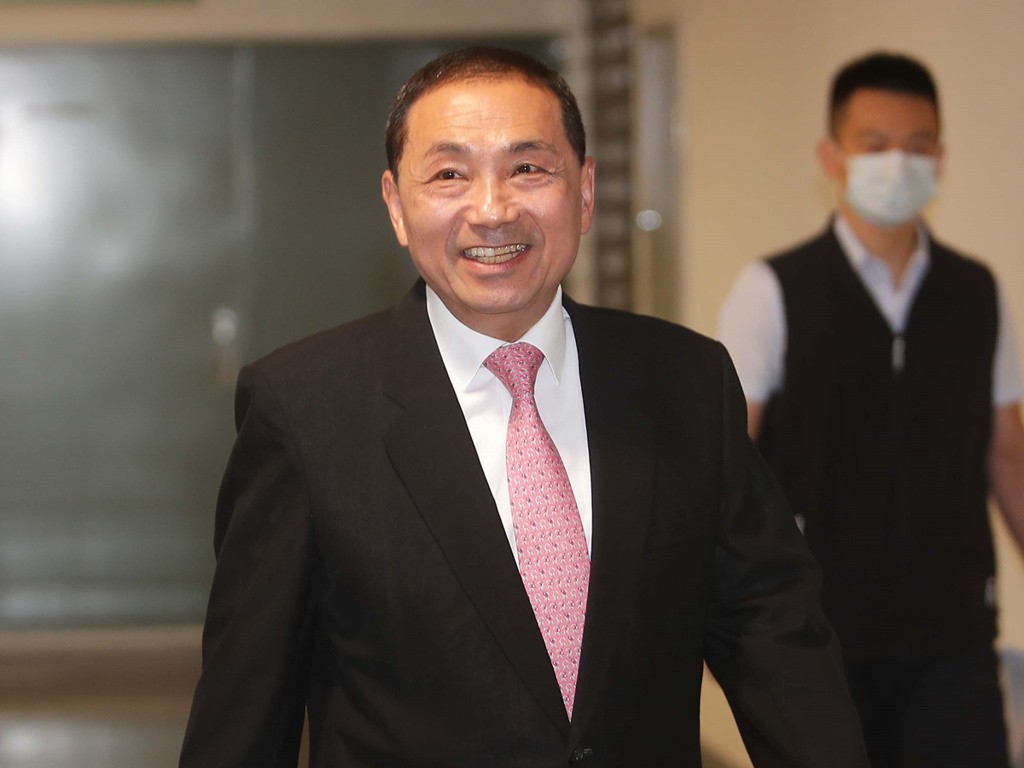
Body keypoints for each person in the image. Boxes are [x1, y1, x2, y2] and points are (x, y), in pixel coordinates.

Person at [179, 46, 868, 767]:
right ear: (397, 206)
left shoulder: (685, 383)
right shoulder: (305, 410)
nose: (493, 210)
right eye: (449, 175)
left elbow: (775, 638)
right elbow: (246, 709)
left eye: (529, 169)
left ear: (585, 192)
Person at [718, 51, 1024, 767]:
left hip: (954, 637)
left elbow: (1008, 452)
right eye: (876, 145)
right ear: (833, 156)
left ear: (940, 158)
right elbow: (729, 461)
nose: (898, 164)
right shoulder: (774, 289)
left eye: (917, 146)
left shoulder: (976, 292)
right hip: (815, 638)